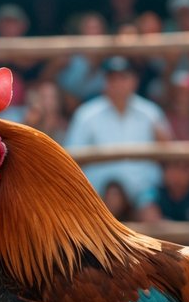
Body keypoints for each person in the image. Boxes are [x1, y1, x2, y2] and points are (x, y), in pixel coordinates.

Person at [64, 57, 171, 211]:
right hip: (98, 190)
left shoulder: (150, 113)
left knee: (151, 215)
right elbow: (70, 157)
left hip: (142, 189)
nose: (118, 84)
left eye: (123, 78)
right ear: (105, 82)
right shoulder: (86, 115)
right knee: (109, 202)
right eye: (112, 79)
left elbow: (168, 153)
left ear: (134, 81)